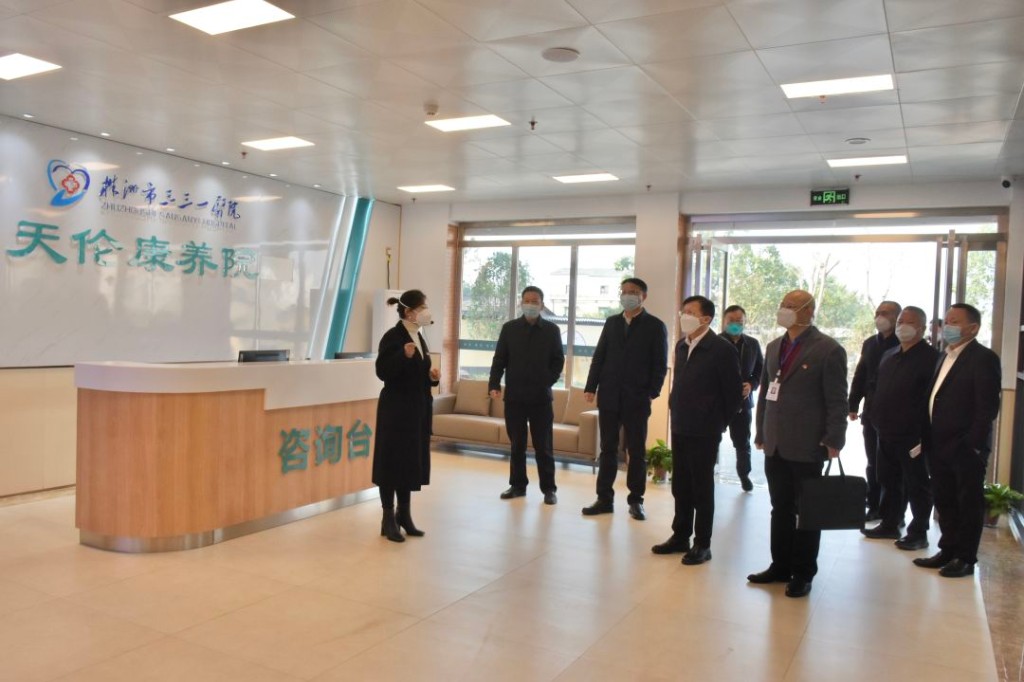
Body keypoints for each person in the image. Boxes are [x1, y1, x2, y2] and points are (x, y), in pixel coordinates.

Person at [750, 290, 848, 598]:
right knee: (780, 507)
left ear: (809, 310)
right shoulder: (773, 347)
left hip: (808, 443)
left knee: (807, 511)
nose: (785, 310)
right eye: (783, 304)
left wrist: (834, 438)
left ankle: (803, 573)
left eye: (792, 306)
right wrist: (761, 431)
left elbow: (837, 400)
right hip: (776, 442)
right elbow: (766, 392)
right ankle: (780, 565)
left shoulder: (828, 349)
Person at [651, 296, 742, 565]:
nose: (684, 316)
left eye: (690, 312)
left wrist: (717, 422)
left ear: (706, 319)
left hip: (705, 430)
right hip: (681, 424)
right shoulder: (682, 345)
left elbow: (733, 395)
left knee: (701, 488)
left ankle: (702, 543)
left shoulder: (722, 349)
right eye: (683, 311)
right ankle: (680, 536)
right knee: (681, 485)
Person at [914, 303, 1001, 577]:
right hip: (937, 443)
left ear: (973, 328)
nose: (947, 326)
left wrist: (972, 445)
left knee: (968, 503)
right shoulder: (944, 355)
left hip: (964, 448)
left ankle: (965, 558)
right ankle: (948, 550)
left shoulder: (983, 358)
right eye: (946, 320)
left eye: (954, 321)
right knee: (945, 500)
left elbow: (987, 408)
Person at [581, 277, 668, 521]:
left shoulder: (655, 326)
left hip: (637, 399)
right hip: (609, 396)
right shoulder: (612, 322)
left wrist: (652, 392)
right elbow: (599, 356)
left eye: (634, 292)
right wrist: (591, 386)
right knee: (607, 449)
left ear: (643, 296)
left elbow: (660, 364)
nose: (628, 295)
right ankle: (604, 499)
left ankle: (636, 500)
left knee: (636, 451)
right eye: (625, 291)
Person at [862, 306, 939, 549]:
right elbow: (875, 385)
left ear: (921, 328)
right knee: (888, 479)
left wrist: (923, 432)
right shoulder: (890, 354)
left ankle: (919, 532)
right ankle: (890, 523)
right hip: (884, 430)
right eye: (900, 321)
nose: (902, 325)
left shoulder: (932, 358)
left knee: (916, 484)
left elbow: (933, 399)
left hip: (913, 435)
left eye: (909, 322)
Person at [372, 289, 439, 543]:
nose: (425, 312)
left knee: (409, 462)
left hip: (416, 410)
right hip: (396, 410)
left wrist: (432, 378)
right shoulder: (393, 336)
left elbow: (417, 373)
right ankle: (388, 517)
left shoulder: (419, 336)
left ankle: (404, 515)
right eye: (421, 308)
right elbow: (382, 371)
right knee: (391, 462)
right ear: (409, 312)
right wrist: (403, 355)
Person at [488, 286, 565, 505]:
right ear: (521, 303)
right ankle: (517, 486)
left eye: (535, 301)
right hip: (515, 398)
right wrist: (494, 383)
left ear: (542, 305)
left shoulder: (551, 330)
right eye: (527, 301)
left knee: (544, 446)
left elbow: (558, 360)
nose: (530, 304)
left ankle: (549, 489)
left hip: (541, 399)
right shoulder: (509, 328)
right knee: (517, 445)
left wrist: (547, 380)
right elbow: (499, 359)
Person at [849, 301, 902, 521]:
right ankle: (873, 504)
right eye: (878, 313)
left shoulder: (903, 343)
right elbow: (861, 374)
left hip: (896, 415)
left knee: (893, 465)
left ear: (897, 317)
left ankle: (893, 511)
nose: (880, 317)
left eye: (885, 313)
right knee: (873, 462)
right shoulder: (870, 343)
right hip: (871, 411)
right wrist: (853, 404)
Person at [720, 304, 764, 492]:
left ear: (745, 322)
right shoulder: (715, 342)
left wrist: (751, 385)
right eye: (731, 320)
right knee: (711, 440)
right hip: (718, 404)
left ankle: (744, 475)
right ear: (724, 321)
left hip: (743, 403)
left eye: (739, 321)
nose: (735, 324)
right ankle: (706, 472)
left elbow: (760, 370)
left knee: (742, 443)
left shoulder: (752, 344)